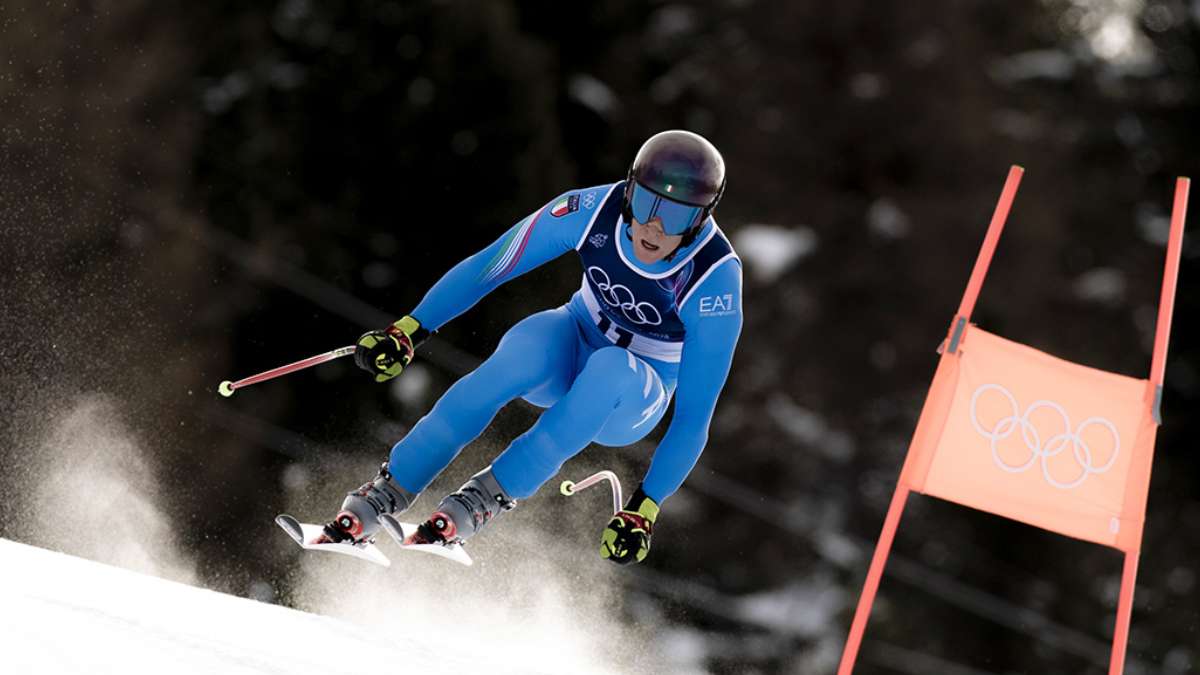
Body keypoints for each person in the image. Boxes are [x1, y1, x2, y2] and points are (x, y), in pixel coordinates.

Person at [319, 129, 742, 565]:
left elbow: (694, 417)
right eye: (647, 203)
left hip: (632, 395)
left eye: (675, 215)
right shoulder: (594, 210)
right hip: (576, 338)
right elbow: (492, 264)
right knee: (524, 348)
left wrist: (644, 508)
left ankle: (483, 498)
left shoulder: (715, 278)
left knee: (612, 367)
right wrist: (410, 328)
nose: (654, 225)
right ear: (629, 189)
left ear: (699, 220)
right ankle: (390, 488)